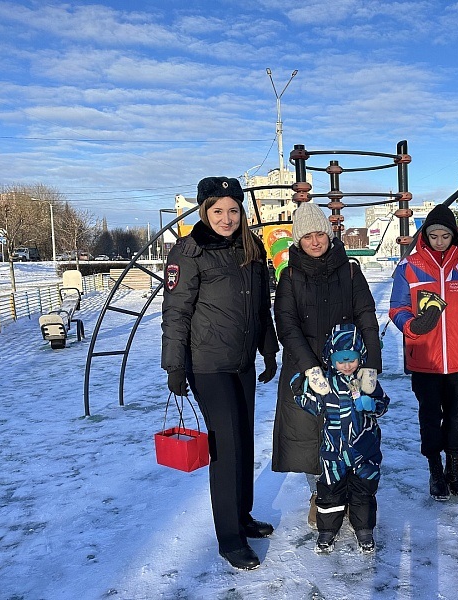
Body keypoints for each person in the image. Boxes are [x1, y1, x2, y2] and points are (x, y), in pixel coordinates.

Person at [161, 176, 279, 570]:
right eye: (218, 211)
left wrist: (269, 347)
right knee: (226, 449)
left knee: (244, 440)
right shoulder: (188, 252)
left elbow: (261, 305)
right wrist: (175, 365)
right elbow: (176, 314)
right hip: (207, 364)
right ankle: (229, 538)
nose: (226, 218)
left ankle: (242, 516)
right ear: (204, 212)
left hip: (242, 360)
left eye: (233, 210)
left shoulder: (252, 247)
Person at [272, 201, 383, 528]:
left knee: (348, 434)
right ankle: (320, 495)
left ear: (330, 234)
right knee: (310, 438)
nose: (315, 241)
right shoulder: (289, 276)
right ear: (298, 241)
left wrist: (370, 365)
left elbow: (366, 317)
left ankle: (346, 493)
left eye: (320, 233)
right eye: (307, 237)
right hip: (305, 370)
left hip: (346, 368)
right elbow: (287, 325)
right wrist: (310, 368)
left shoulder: (349, 270)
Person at [389, 204, 458, 501]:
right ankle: (435, 469)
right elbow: (397, 308)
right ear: (425, 235)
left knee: (455, 416)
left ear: (454, 235)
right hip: (425, 359)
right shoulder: (409, 266)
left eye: (444, 235)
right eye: (433, 235)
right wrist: (412, 324)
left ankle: (454, 469)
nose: (438, 241)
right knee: (430, 417)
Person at [292, 323, 390, 554]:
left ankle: (364, 528)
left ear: (360, 357)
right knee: (330, 490)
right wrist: (299, 390)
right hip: (333, 450)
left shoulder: (368, 382)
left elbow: (383, 404)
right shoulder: (326, 385)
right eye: (341, 360)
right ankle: (327, 529)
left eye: (352, 359)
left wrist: (372, 404)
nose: (347, 365)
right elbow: (314, 406)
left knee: (363, 490)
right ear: (331, 358)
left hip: (365, 449)